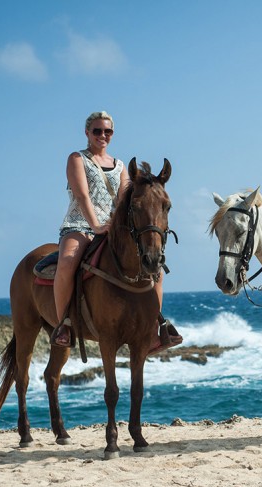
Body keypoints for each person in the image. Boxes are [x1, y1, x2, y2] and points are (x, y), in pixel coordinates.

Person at [50, 111, 182, 353]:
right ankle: (64, 324)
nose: (102, 135)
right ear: (87, 133)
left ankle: (154, 328)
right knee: (67, 264)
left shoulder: (121, 166)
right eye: (97, 131)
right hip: (79, 225)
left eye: (107, 131)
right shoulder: (77, 159)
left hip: (113, 228)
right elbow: (82, 196)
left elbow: (124, 203)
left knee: (157, 272)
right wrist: (96, 225)